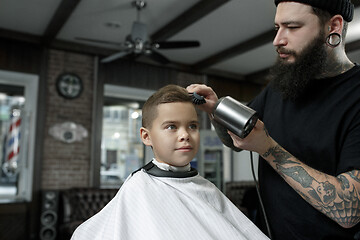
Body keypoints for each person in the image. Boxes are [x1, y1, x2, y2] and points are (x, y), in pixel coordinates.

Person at [187, 0, 360, 239]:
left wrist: (268, 149)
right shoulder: (281, 87)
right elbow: (234, 139)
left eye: (292, 26)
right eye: (277, 27)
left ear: (334, 26)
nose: (277, 40)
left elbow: (350, 210)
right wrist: (216, 111)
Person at [71, 85, 269, 240]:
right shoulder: (138, 188)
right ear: (146, 136)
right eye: (171, 127)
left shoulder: (205, 187)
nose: (185, 135)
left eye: (192, 126)